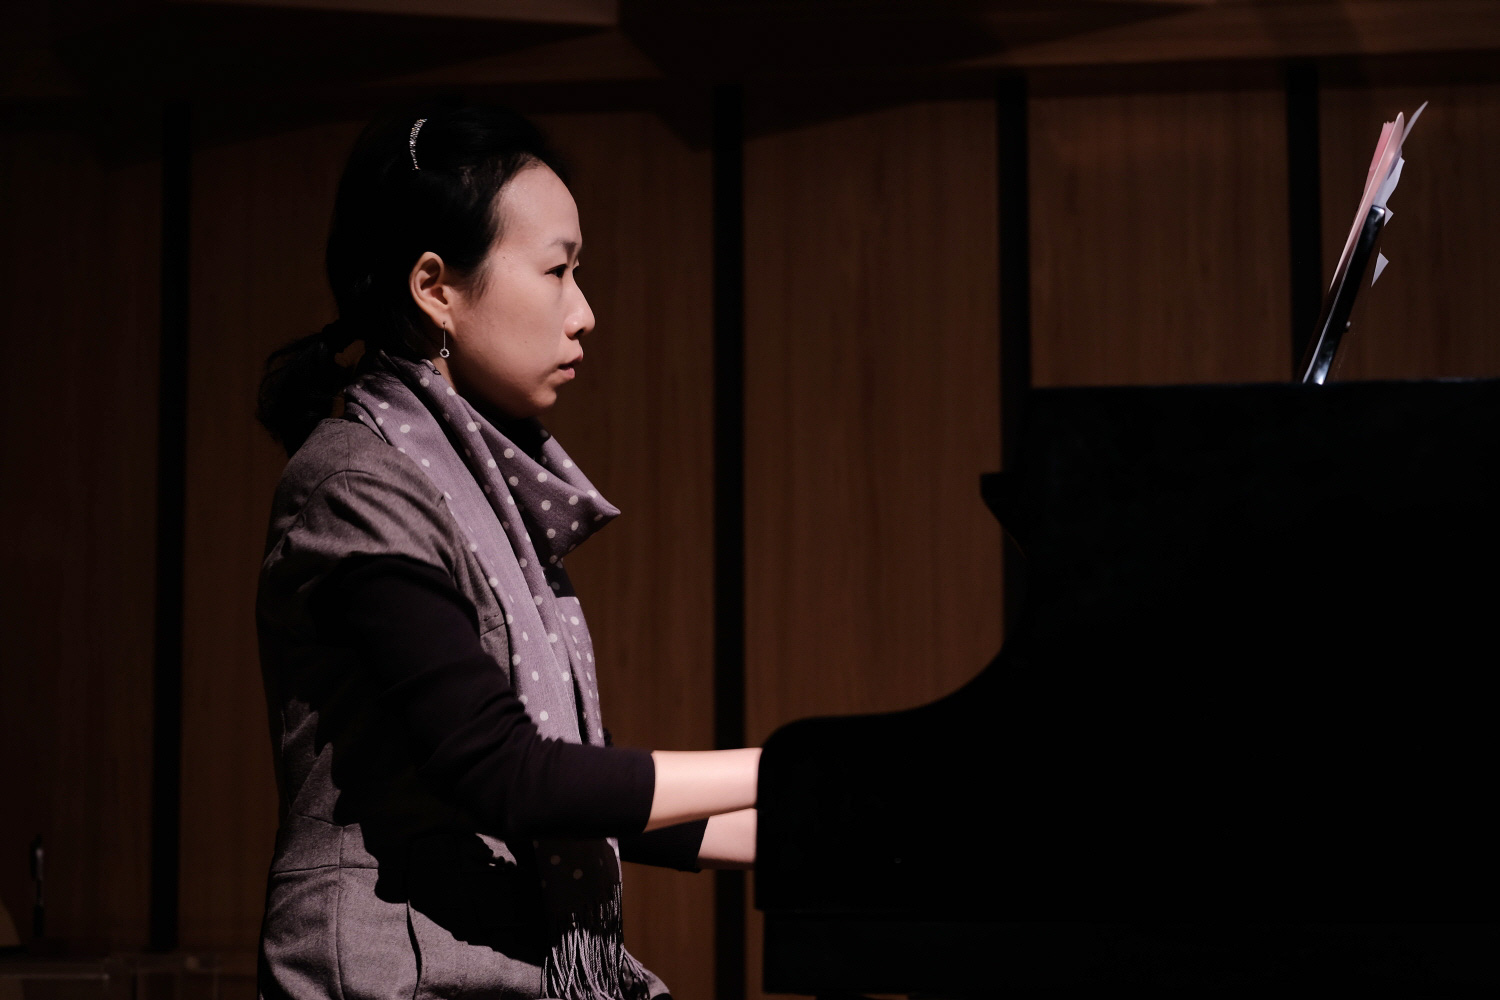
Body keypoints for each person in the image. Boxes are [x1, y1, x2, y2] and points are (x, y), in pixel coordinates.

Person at [253, 102, 758, 1000]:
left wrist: (823, 820)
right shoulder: (355, 483)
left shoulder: (480, 487)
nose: (585, 313)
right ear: (434, 287)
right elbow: (504, 770)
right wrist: (785, 767)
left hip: (489, 959)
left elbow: (573, 791)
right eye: (558, 271)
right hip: (392, 974)